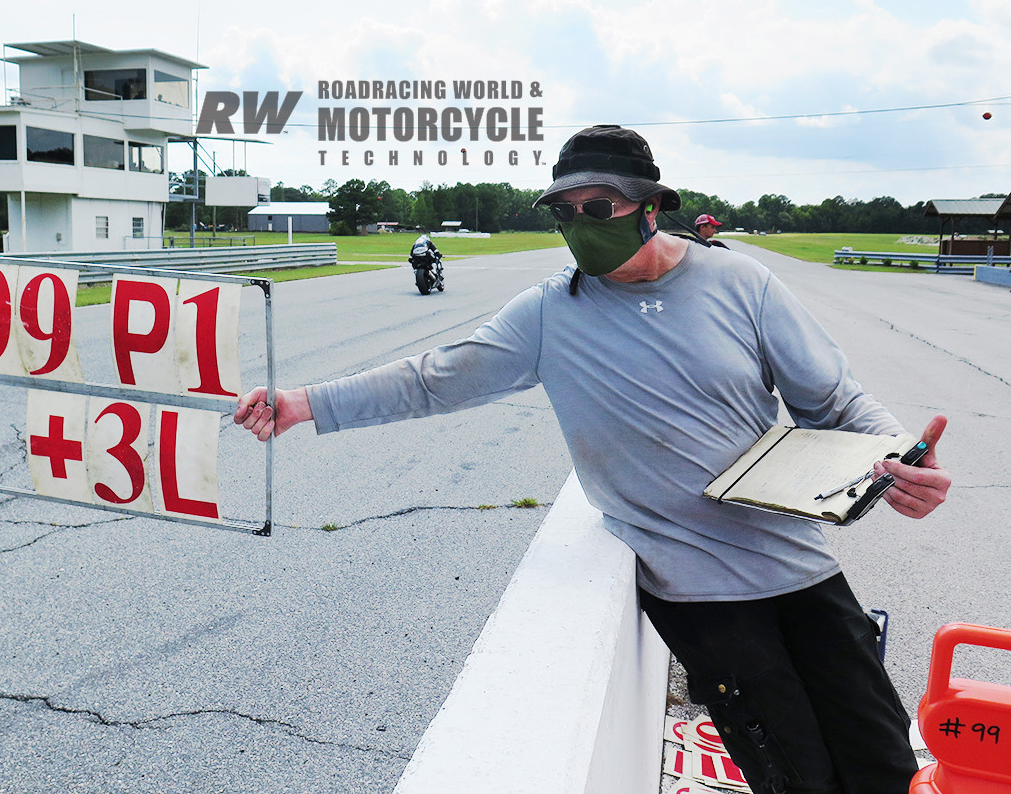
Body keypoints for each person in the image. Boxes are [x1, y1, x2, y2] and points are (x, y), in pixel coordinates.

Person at [235, 124, 951, 794]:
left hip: (802, 568)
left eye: (598, 205)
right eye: (564, 210)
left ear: (650, 208)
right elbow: (433, 380)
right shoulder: (549, 315)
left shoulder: (743, 285)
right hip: (701, 598)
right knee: (799, 775)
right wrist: (305, 402)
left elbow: (835, 402)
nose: (579, 222)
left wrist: (896, 464)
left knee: (885, 761)